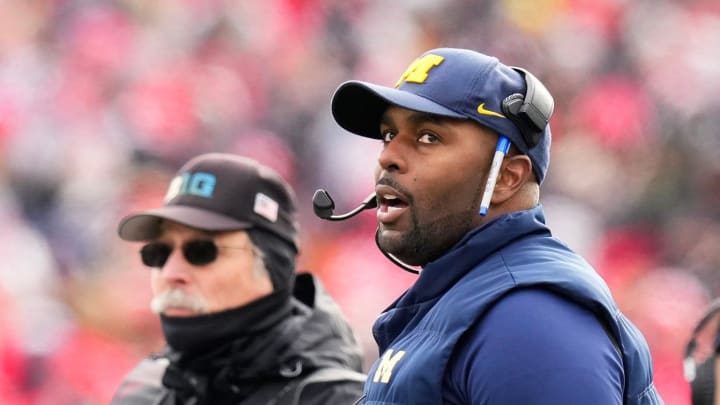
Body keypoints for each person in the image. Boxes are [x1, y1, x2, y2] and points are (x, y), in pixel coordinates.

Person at [326, 47, 664, 404]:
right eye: (389, 135)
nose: (387, 157)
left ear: (506, 177)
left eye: (428, 137)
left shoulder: (529, 322)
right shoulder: (470, 299)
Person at [111, 153, 366, 405]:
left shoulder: (334, 399)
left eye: (202, 252)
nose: (170, 273)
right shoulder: (143, 391)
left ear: (270, 266)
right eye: (158, 253)